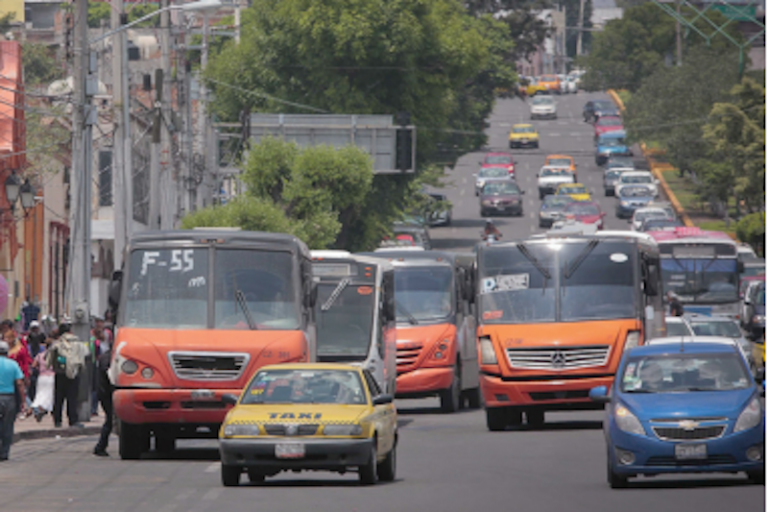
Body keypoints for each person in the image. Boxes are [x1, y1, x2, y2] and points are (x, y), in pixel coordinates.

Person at [46, 322, 88, 428]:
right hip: (73, 374)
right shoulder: (78, 343)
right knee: (72, 398)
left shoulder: (57, 344)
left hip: (60, 374)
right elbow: (86, 354)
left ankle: (57, 420)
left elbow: (48, 358)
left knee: (58, 398)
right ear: (70, 331)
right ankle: (73, 420)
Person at [0, 340, 26, 461]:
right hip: (9, 397)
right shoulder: (13, 364)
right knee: (8, 425)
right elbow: (19, 383)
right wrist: (23, 401)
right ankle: (4, 452)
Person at [6, 329, 32, 418]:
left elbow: (25, 363)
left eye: (7, 338)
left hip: (19, 374)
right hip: (9, 375)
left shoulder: (20, 349)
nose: (6, 340)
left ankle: (27, 408)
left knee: (20, 393)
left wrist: (26, 376)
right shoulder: (7, 350)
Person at [93, 345, 113, 457]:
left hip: (105, 392)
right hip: (106, 392)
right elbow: (108, 373)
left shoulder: (105, 356)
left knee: (110, 419)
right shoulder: (108, 358)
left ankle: (101, 446)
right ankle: (100, 446)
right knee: (110, 419)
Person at [30, 337, 55, 422]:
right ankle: (48, 410)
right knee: (51, 395)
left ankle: (40, 409)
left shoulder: (40, 355)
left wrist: (39, 368)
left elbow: (33, 365)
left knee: (40, 394)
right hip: (52, 377)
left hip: (42, 377)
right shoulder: (54, 356)